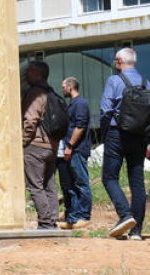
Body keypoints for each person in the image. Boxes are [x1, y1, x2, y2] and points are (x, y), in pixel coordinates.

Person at [99, 47, 150, 240]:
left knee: (109, 177)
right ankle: (137, 231)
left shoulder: (114, 80)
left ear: (119, 62)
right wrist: (147, 136)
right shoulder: (148, 84)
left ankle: (125, 215)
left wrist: (105, 133)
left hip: (118, 134)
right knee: (137, 182)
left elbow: (105, 110)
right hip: (140, 137)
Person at [21, 60, 58, 229]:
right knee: (49, 186)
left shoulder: (36, 93)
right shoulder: (52, 93)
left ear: (38, 74)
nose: (25, 74)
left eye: (29, 71)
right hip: (52, 146)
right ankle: (53, 221)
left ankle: (45, 223)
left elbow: (31, 120)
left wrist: (22, 141)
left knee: (36, 186)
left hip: (35, 146)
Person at [57, 76, 92, 229]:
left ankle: (84, 216)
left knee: (81, 183)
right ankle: (73, 218)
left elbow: (80, 126)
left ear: (70, 86)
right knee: (70, 184)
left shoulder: (80, 104)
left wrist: (70, 146)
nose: (62, 89)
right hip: (71, 149)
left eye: (63, 86)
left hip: (77, 149)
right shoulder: (72, 104)